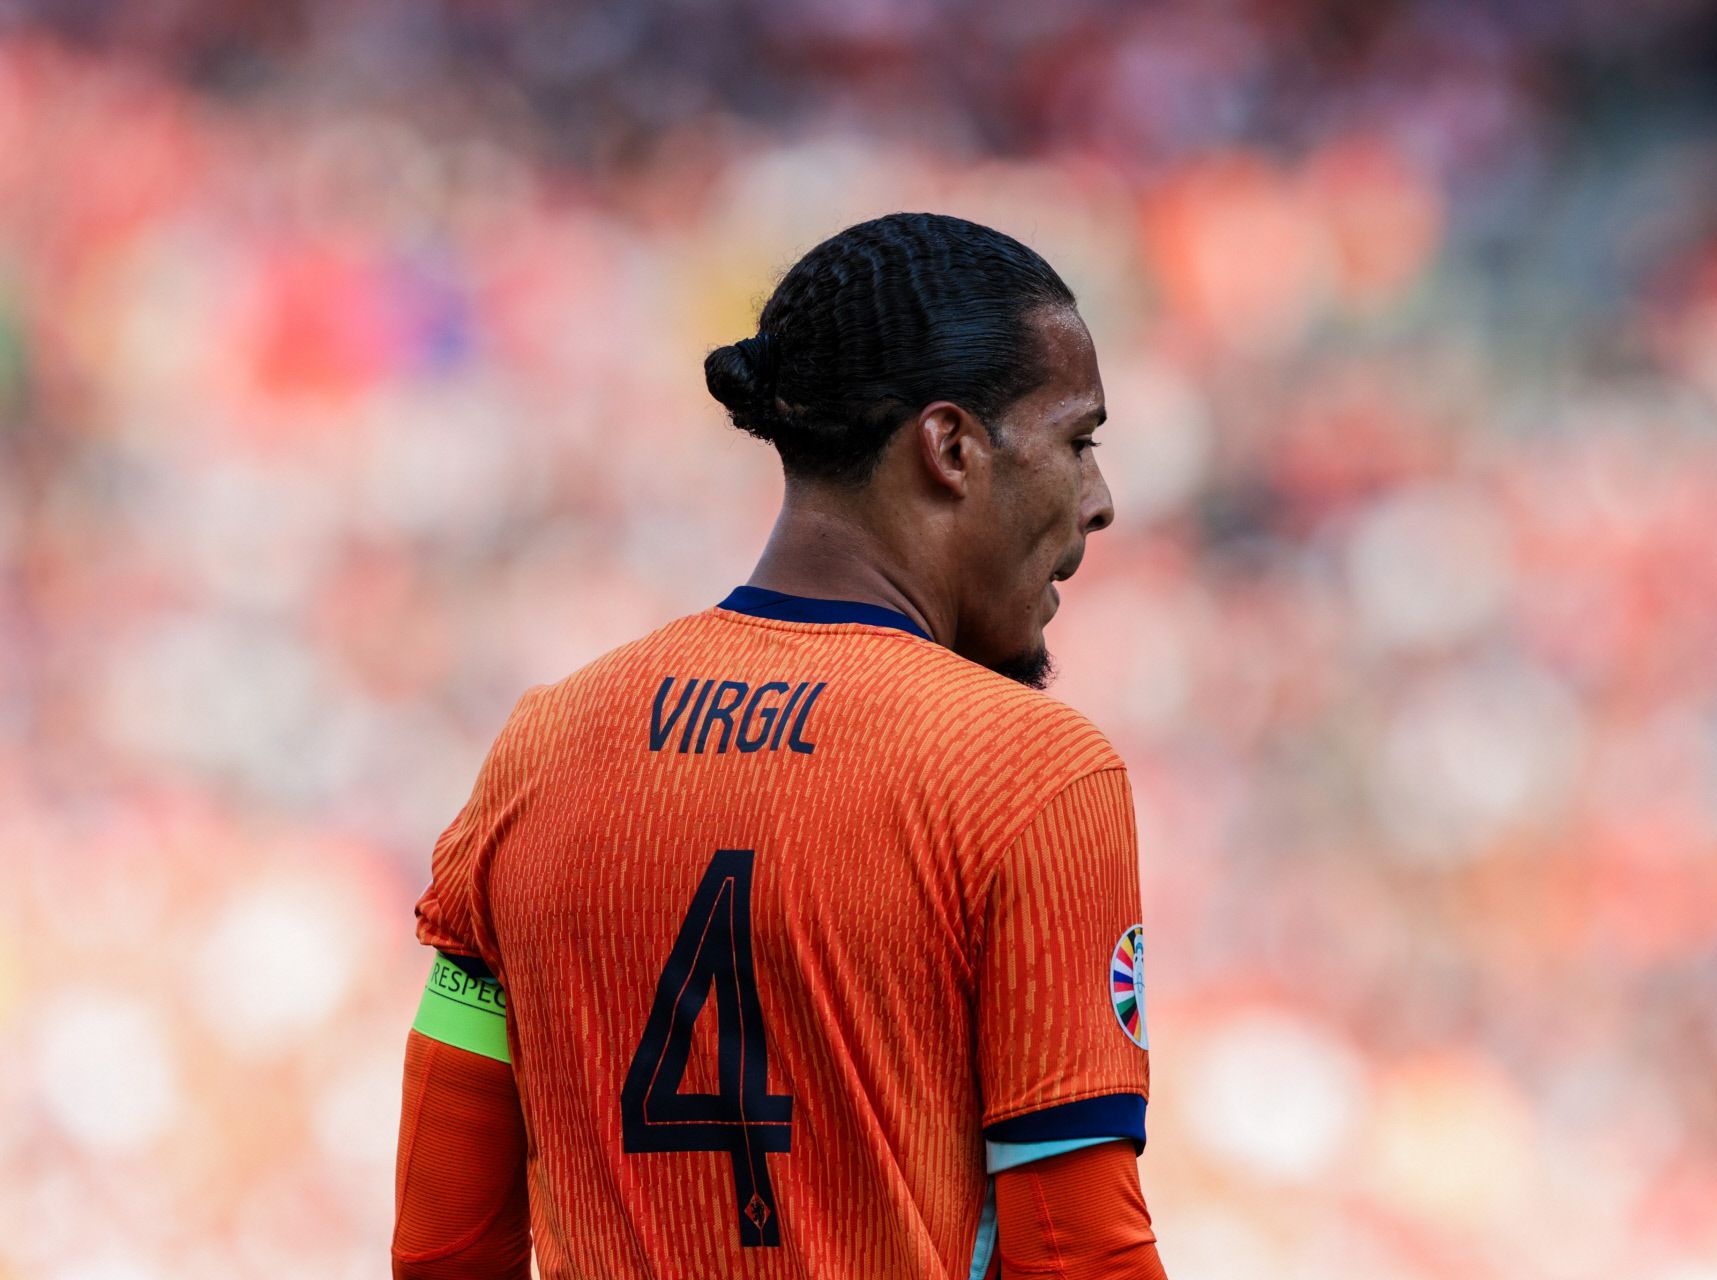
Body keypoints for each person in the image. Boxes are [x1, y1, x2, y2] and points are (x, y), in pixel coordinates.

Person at [392, 212, 1166, 1280]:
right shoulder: (1028, 771)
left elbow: (442, 1248)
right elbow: (1077, 1255)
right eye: (1078, 441)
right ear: (951, 448)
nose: (1100, 498)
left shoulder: (543, 748)